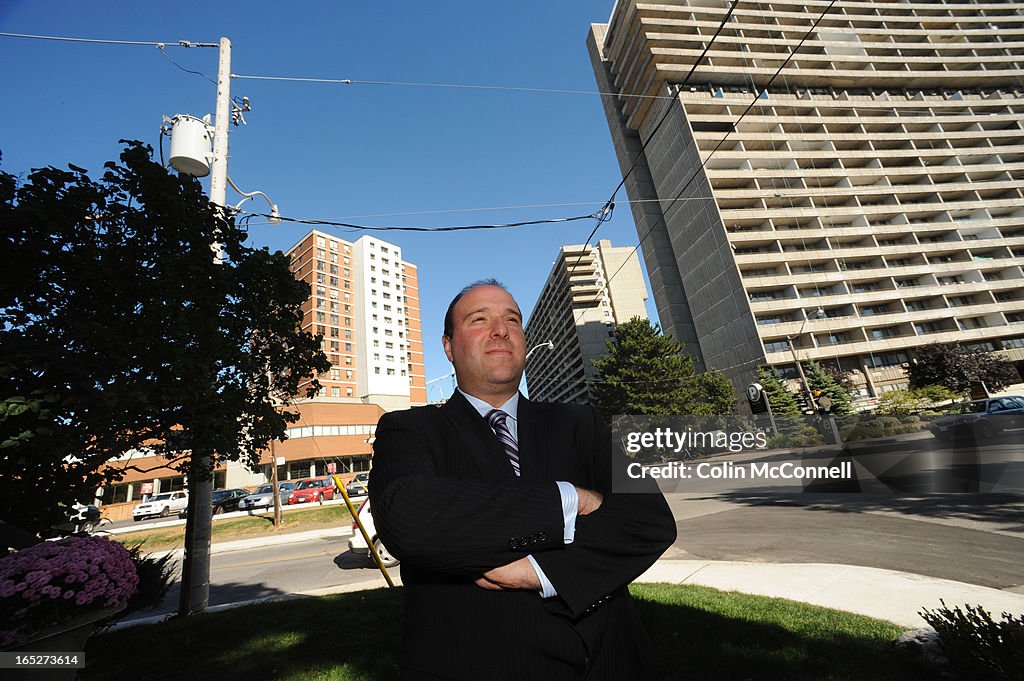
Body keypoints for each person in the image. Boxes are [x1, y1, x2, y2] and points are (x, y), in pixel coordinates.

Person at [369, 280, 677, 681]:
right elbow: (408, 517)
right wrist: (572, 500)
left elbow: (649, 519)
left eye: (512, 319)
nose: (501, 329)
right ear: (448, 346)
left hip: (613, 662)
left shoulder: (580, 423)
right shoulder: (409, 429)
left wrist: (540, 570)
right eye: (480, 319)